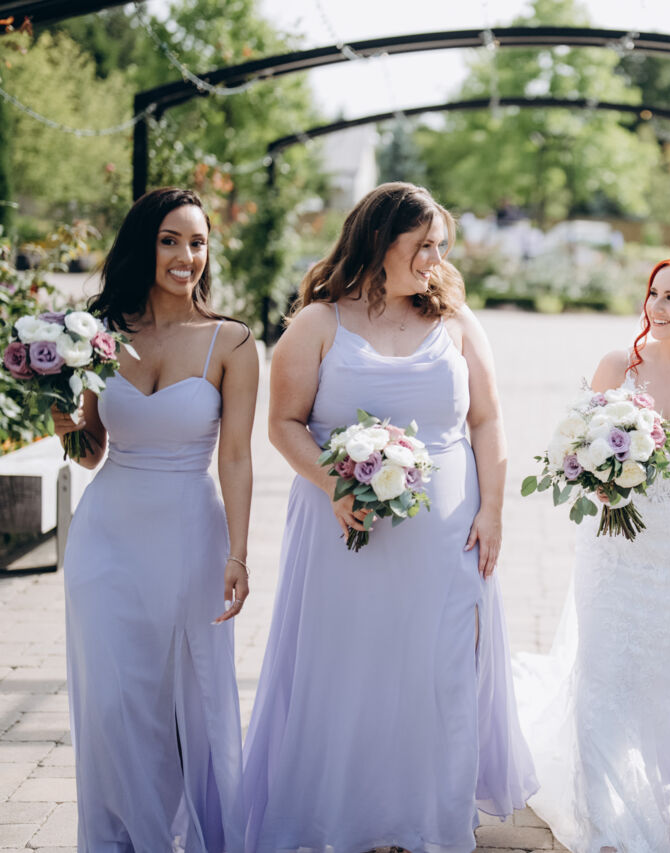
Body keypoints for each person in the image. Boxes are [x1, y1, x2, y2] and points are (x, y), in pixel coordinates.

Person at [241, 182, 536, 852]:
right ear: (379, 240)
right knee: (351, 672)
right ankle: (348, 817)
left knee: (440, 670)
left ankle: (429, 821)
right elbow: (283, 423)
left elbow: (487, 421)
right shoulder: (319, 324)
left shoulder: (457, 323)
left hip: (447, 536)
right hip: (344, 533)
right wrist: (334, 483)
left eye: (441, 245)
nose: (436, 259)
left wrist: (494, 509)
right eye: (423, 245)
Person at [515, 249, 670, 852]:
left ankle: (660, 801)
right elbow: (575, 447)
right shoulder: (618, 365)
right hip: (613, 550)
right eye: (653, 293)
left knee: (668, 684)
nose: (657, 307)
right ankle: (603, 823)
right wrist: (596, 479)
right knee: (602, 677)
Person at [53, 187, 256, 852]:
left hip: (189, 539)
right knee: (112, 702)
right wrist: (59, 413)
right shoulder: (101, 334)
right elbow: (90, 450)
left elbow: (235, 458)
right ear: (145, 245)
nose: (185, 256)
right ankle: (121, 839)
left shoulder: (232, 341)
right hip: (106, 536)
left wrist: (239, 553)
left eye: (197, 242)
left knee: (182, 702)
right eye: (170, 240)